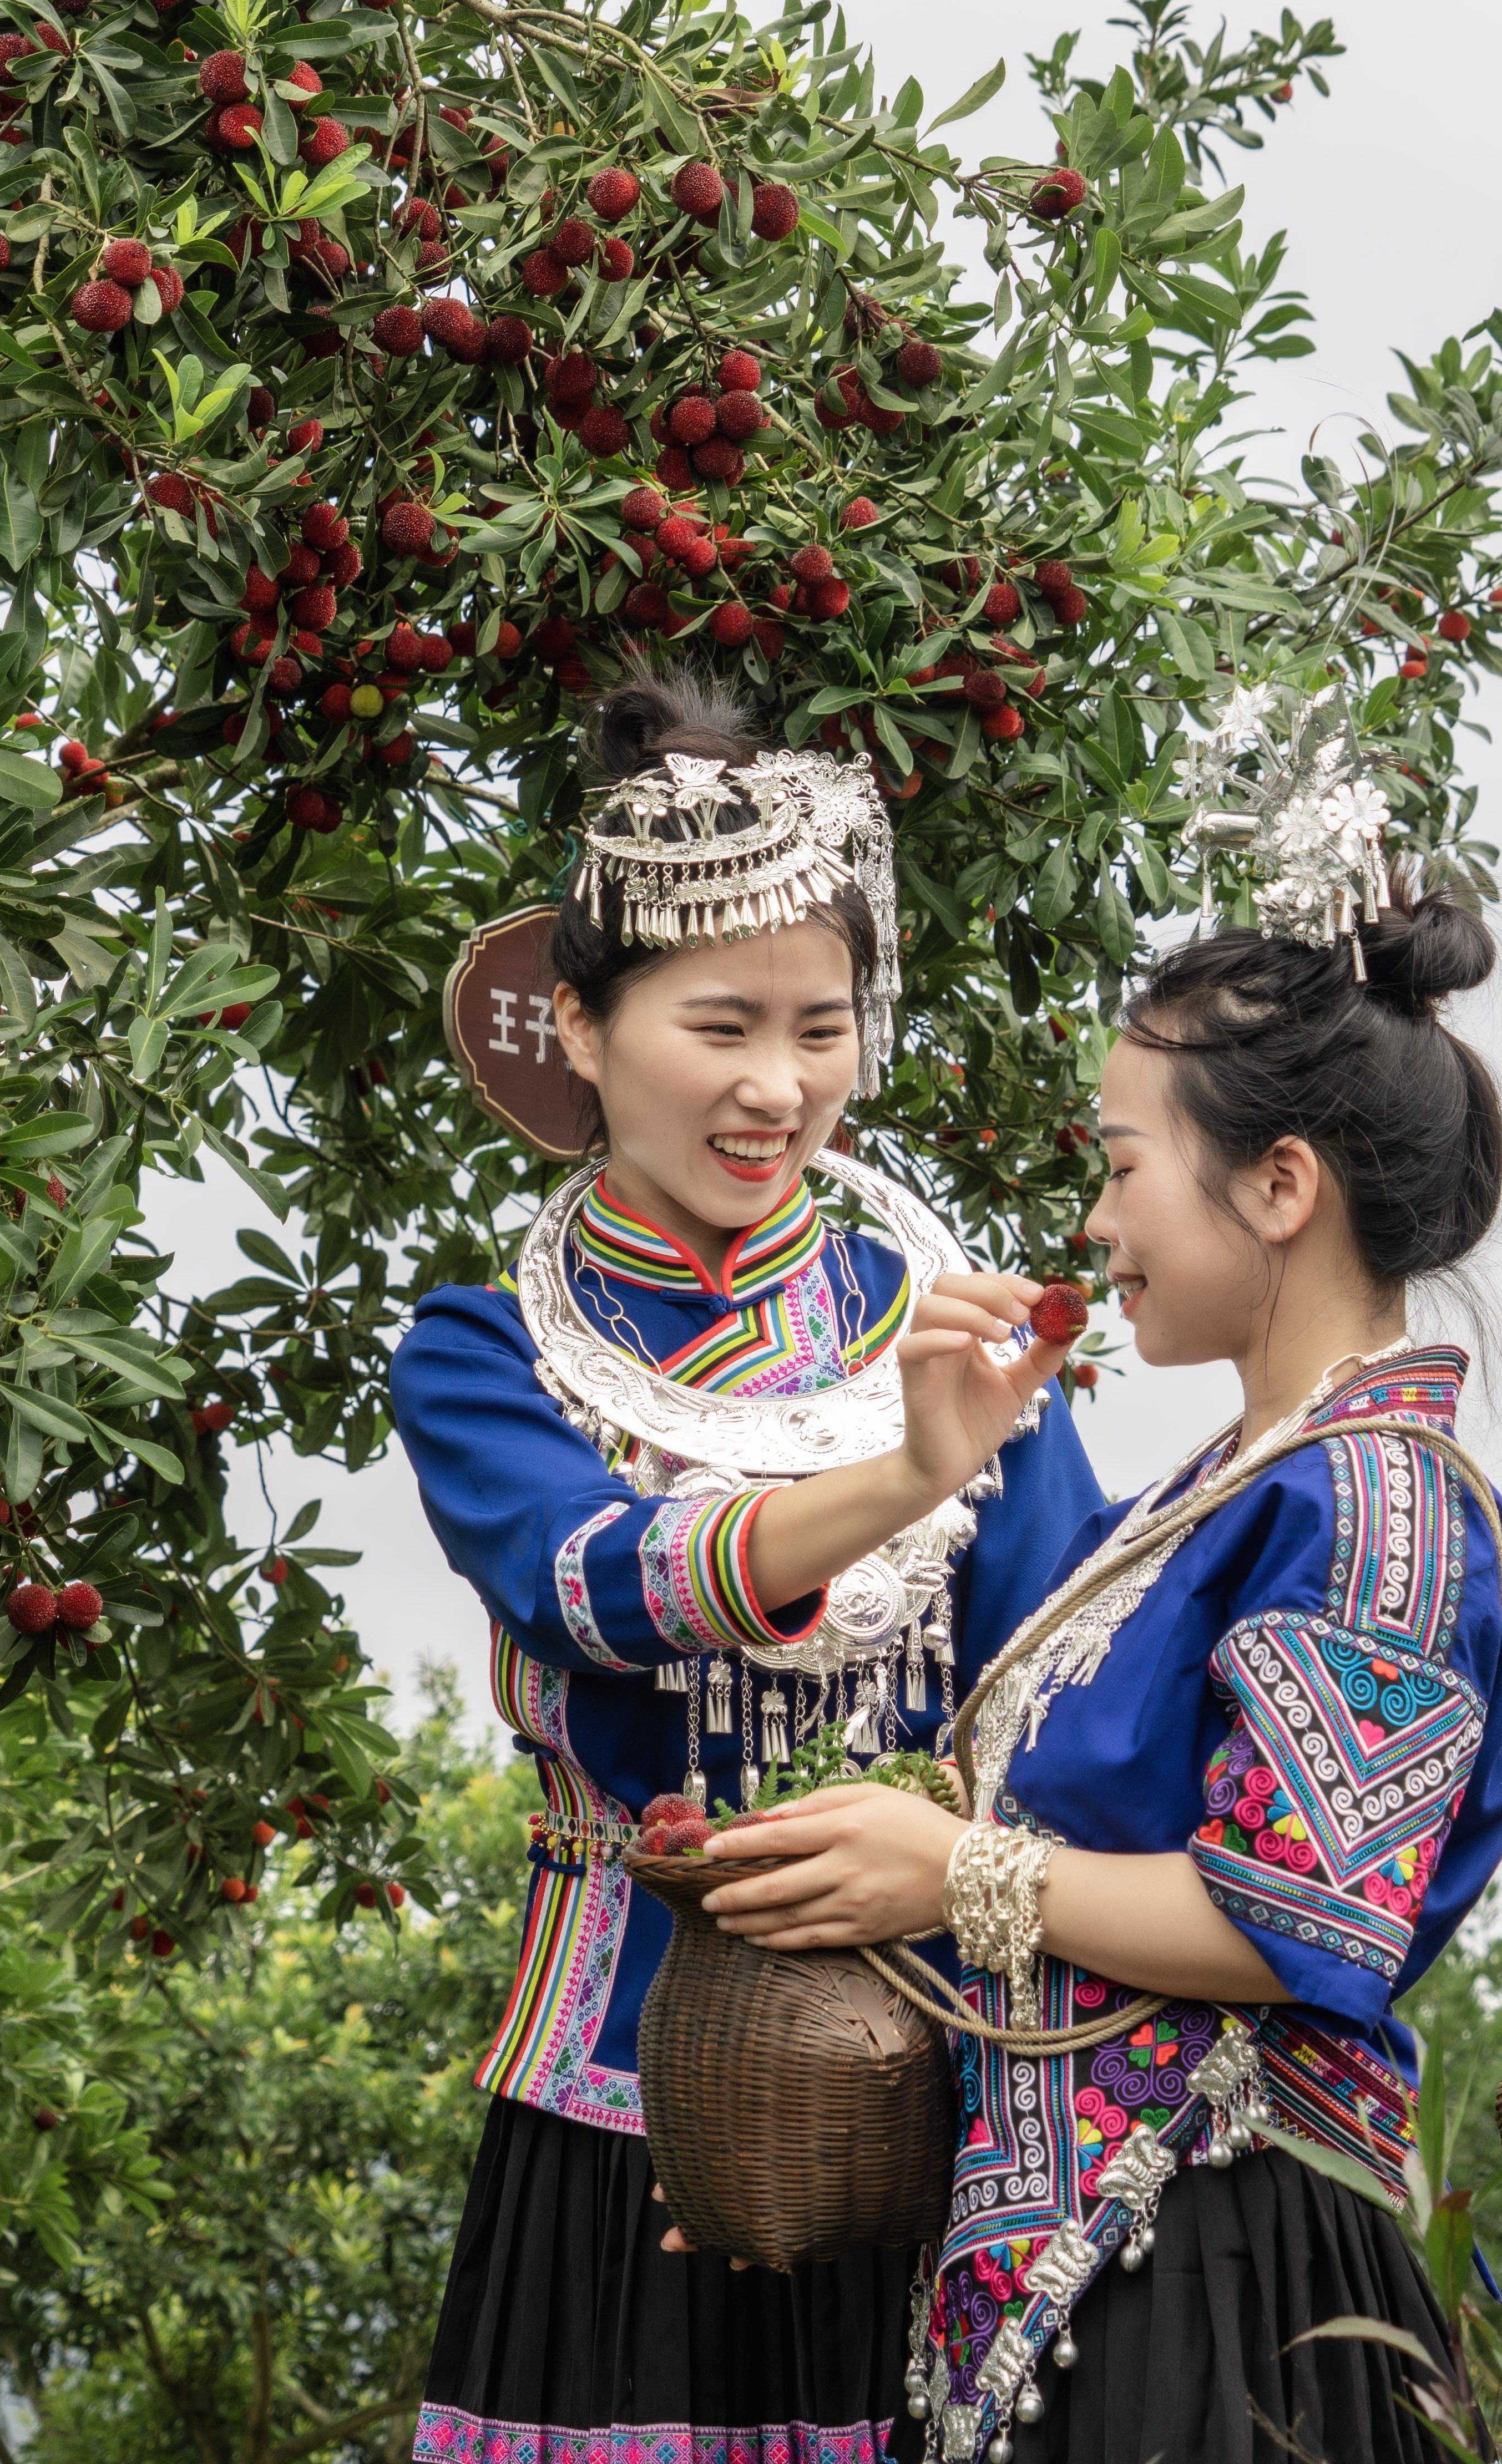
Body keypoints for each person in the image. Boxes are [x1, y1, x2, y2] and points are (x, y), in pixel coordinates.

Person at [697, 877, 1502, 2464]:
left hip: (1229, 2277)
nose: (1095, 1220)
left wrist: (955, 1870)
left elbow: (1302, 1921)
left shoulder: (1381, 1503)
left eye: (1123, 1164)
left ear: (1278, 1186)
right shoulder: (1199, 1502)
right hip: (1086, 2275)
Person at [391, 671, 1104, 2464]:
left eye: (821, 1028)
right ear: (580, 1024)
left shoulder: (947, 1330)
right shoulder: (485, 1355)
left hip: (945, 2078)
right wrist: (912, 1473)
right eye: (719, 1025)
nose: (776, 1089)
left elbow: (1067, 1677)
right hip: (623, 2090)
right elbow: (597, 1586)